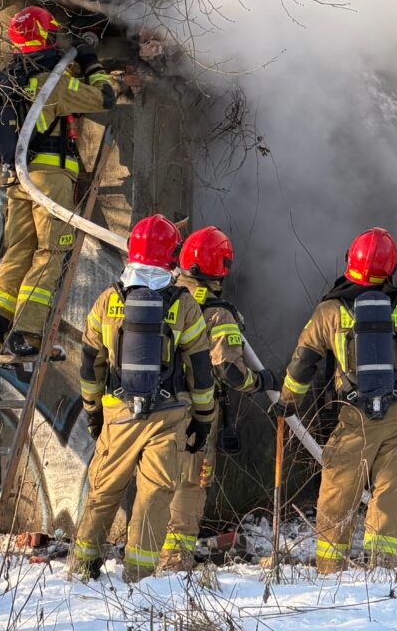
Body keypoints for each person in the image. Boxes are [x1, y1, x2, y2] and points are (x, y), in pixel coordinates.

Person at [273, 227, 397, 573]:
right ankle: (382, 566)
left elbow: (303, 364)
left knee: (338, 492)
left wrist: (287, 403)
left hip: (355, 415)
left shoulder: (330, 311)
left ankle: (330, 570)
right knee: (390, 492)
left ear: (351, 262)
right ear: (391, 269)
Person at [69, 215, 214, 582]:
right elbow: (200, 370)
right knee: (153, 497)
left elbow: (90, 365)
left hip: (118, 413)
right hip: (168, 416)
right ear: (171, 256)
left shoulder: (107, 301)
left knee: (103, 491)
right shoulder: (183, 305)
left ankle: (82, 568)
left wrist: (92, 412)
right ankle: (139, 576)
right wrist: (203, 418)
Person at [0, 5, 116, 357]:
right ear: (46, 36)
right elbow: (104, 98)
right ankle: (26, 333)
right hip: (50, 181)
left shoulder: (9, 81)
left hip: (17, 180)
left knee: (17, 250)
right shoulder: (52, 84)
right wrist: (91, 61)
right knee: (51, 251)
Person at [160, 226, 274, 569]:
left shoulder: (162, 296)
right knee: (191, 483)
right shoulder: (217, 313)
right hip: (197, 412)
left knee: (156, 481)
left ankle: (145, 552)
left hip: (154, 409)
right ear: (221, 266)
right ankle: (175, 558)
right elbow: (228, 370)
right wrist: (260, 381)